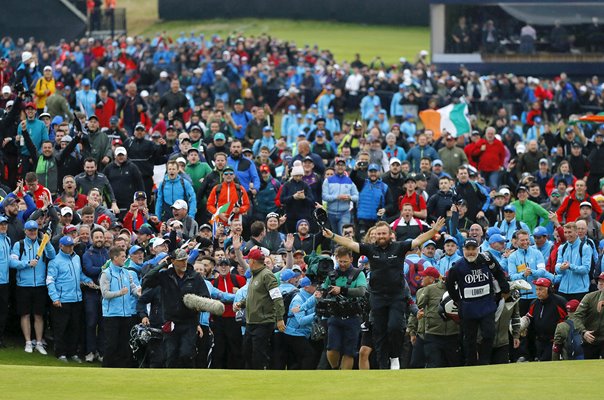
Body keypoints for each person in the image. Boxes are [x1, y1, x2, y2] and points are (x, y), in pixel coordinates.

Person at [323, 217, 445, 369]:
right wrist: (333, 236)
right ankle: (382, 365)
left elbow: (418, 240)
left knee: (394, 327)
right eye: (379, 234)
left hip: (397, 296)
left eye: (384, 233)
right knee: (379, 332)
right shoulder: (369, 249)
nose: (381, 236)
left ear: (390, 234)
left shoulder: (399, 247)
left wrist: (433, 231)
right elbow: (349, 243)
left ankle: (394, 357)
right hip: (377, 296)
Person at [445, 238, 511, 366]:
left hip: (487, 305)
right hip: (468, 308)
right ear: (463, 250)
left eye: (473, 249)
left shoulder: (487, 259)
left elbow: (498, 272)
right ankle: (470, 363)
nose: (470, 252)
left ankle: (485, 361)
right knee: (469, 339)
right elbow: (449, 285)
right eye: (467, 249)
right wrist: (458, 301)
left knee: (489, 334)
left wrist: (504, 289)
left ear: (478, 249)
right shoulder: (457, 267)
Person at [143, 248, 210, 368]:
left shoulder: (195, 277)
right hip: (170, 322)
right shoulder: (165, 276)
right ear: (173, 261)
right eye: (180, 260)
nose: (184, 263)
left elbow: (205, 298)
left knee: (186, 353)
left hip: (189, 322)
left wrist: (197, 305)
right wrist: (163, 264)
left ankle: (188, 379)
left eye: (185, 260)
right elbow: (147, 280)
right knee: (170, 355)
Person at [233, 246, 285, 370]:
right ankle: (252, 377)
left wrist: (279, 318)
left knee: (258, 354)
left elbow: (277, 297)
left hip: (263, 321)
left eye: (248, 260)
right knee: (247, 352)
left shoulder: (267, 275)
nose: (247, 262)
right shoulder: (254, 276)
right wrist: (241, 303)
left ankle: (261, 378)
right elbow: (253, 297)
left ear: (253, 261)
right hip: (251, 322)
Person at [10, 220, 57, 354]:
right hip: (23, 285)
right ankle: (28, 342)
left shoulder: (41, 243)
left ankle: (38, 342)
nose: (32, 232)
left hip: (40, 286)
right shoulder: (19, 244)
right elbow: (12, 262)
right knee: (25, 314)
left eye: (34, 230)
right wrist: (26, 263)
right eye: (30, 230)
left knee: (39, 315)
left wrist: (47, 243)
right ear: (25, 231)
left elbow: (52, 256)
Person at [46, 236, 94, 362]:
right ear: (61, 246)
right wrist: (55, 298)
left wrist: (87, 280)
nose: (70, 248)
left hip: (76, 298)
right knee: (61, 328)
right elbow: (50, 281)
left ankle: (72, 352)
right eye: (67, 246)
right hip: (62, 300)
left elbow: (79, 275)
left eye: (71, 245)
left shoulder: (76, 258)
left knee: (74, 327)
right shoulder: (55, 261)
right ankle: (60, 353)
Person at [100, 246, 140, 368]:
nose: (125, 258)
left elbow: (132, 288)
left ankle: (121, 368)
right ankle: (107, 367)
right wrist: (119, 293)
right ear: (115, 257)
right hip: (111, 315)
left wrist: (139, 292)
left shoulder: (126, 272)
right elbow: (105, 294)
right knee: (111, 344)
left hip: (126, 314)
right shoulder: (106, 274)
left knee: (124, 344)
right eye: (123, 256)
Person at [416, 267, 461, 368]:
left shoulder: (460, 290)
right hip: (433, 333)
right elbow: (419, 305)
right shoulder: (430, 289)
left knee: (454, 365)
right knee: (433, 364)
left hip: (453, 334)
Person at [522, 278, 568, 361]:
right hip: (538, 341)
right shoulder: (534, 303)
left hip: (554, 341)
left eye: (541, 289)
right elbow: (529, 319)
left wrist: (560, 337)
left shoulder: (559, 302)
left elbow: (567, 320)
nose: (538, 292)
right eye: (536, 289)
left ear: (549, 290)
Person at [555, 222, 592, 301]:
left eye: (570, 232)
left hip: (580, 290)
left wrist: (570, 266)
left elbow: (586, 269)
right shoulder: (562, 247)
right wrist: (561, 268)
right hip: (563, 290)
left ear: (576, 232)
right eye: (565, 232)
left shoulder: (585, 248)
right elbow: (557, 267)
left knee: (578, 313)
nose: (567, 235)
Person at [322, 158, 359, 235]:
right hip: (330, 213)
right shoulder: (328, 180)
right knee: (332, 237)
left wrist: (349, 197)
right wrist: (337, 197)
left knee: (344, 235)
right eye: (338, 165)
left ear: (345, 167)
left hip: (344, 213)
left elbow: (356, 197)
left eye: (342, 165)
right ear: (335, 166)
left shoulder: (349, 181)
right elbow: (324, 196)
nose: (340, 167)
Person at [573, 272, 604, 359]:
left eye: (603, 281)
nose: (600, 283)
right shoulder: (589, 297)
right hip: (591, 339)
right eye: (599, 280)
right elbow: (577, 316)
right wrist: (583, 331)